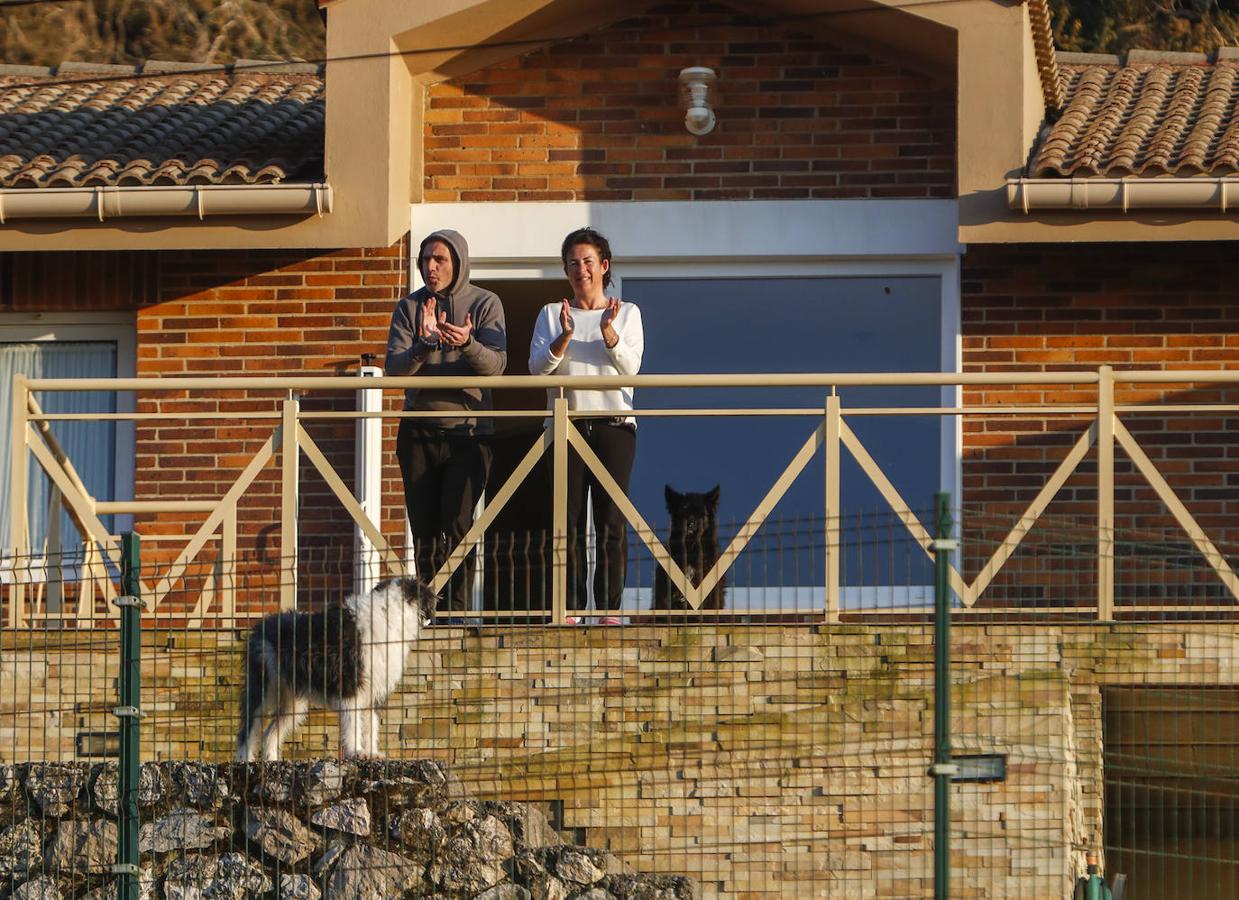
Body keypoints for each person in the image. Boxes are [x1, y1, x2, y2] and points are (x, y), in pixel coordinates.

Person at [385, 229, 507, 618]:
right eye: (425, 260)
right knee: (423, 527)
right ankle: (428, 611)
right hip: (418, 430)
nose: (431, 268)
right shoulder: (408, 307)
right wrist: (425, 344)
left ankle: (456, 612)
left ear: (458, 262)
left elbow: (496, 368)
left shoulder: (486, 303)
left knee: (457, 524)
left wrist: (467, 343)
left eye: (439, 260)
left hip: (469, 433)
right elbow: (395, 372)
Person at [529, 228, 644, 624]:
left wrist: (609, 332)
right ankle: (572, 609)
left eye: (588, 261)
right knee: (570, 521)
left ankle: (609, 611)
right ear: (565, 269)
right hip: (567, 428)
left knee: (611, 522)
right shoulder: (551, 314)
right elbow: (537, 369)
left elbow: (632, 370)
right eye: (573, 263)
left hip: (614, 428)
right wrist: (564, 337)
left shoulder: (628, 313)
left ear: (604, 266)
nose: (581, 269)